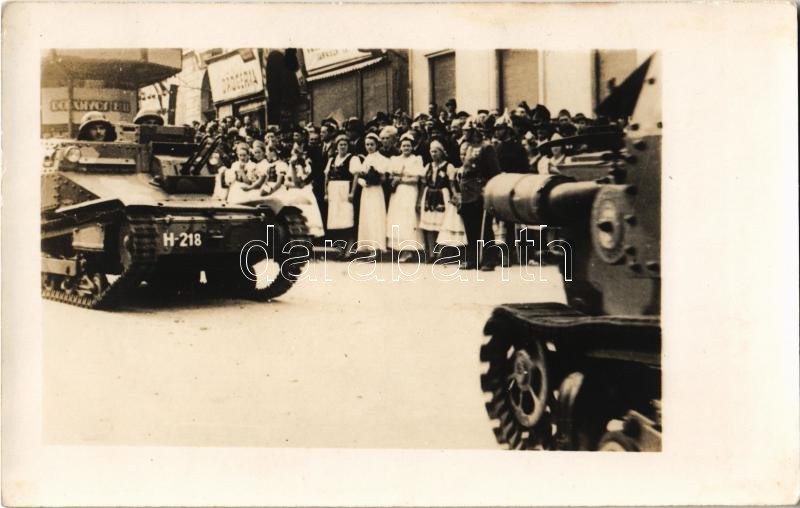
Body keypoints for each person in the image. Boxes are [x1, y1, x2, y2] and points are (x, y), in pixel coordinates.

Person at [459, 117, 501, 270]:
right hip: (467, 191)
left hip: (480, 190)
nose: (465, 134)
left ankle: (489, 259)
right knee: (470, 226)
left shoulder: (487, 147)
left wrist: (487, 187)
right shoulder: (468, 146)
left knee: (484, 227)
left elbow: (494, 171)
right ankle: (473, 259)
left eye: (468, 131)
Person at [385, 132, 425, 262]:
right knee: (398, 218)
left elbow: (416, 179)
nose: (406, 148)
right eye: (404, 145)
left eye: (408, 146)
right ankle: (398, 248)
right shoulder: (395, 159)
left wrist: (401, 179)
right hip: (397, 193)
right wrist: (394, 179)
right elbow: (390, 176)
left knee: (408, 219)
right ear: (400, 147)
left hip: (410, 192)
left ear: (412, 147)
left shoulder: (416, 159)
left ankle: (408, 250)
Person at [352, 132, 389, 255]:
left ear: (377, 145)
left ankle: (376, 248)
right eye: (367, 144)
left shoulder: (381, 159)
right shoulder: (366, 158)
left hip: (375, 191)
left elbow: (383, 178)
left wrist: (374, 179)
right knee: (367, 217)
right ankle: (367, 247)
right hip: (366, 192)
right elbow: (360, 174)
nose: (369, 147)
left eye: (372, 144)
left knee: (375, 218)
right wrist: (362, 181)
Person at [324, 134, 359, 258]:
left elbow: (356, 177)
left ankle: (349, 248)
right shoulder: (332, 159)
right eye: (340, 145)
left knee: (347, 219)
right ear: (336, 146)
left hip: (345, 190)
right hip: (333, 191)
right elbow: (327, 177)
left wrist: (352, 192)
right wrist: (326, 192)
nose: (342, 147)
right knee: (336, 220)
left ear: (348, 146)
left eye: (345, 144)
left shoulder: (353, 159)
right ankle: (340, 248)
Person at [419, 140, 453, 261]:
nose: (434, 154)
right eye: (432, 152)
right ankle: (432, 253)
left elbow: (452, 184)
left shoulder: (448, 166)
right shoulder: (428, 166)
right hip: (429, 195)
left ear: (441, 152)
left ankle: (440, 252)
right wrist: (419, 199)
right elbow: (423, 184)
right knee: (429, 225)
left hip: (443, 195)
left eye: (436, 151)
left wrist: (454, 197)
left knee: (442, 224)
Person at [284, 145, 325, 238]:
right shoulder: (291, 165)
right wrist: (292, 182)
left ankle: (309, 234)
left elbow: (299, 182)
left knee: (307, 213)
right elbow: (287, 181)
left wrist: (294, 169)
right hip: (293, 191)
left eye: (300, 153)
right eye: (295, 152)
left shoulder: (307, 165)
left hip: (305, 191)